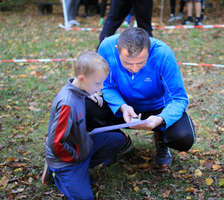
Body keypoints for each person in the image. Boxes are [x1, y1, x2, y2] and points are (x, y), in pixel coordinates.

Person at [89, 28, 195, 169]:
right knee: (87, 108)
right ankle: (117, 142)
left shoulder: (163, 54)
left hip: (156, 108)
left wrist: (161, 119)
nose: (134, 69)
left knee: (183, 137)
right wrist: (122, 106)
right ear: (117, 49)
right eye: (127, 63)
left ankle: (161, 139)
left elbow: (179, 98)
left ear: (149, 50)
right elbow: (106, 86)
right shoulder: (106, 47)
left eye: (140, 62)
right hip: (122, 105)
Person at [41, 51, 132, 199]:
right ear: (82, 79)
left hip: (82, 145)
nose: (101, 87)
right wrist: (76, 158)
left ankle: (81, 171)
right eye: (98, 83)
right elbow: (56, 143)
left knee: (118, 140)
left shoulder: (81, 89)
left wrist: (89, 93)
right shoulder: (67, 104)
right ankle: (58, 173)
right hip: (67, 160)